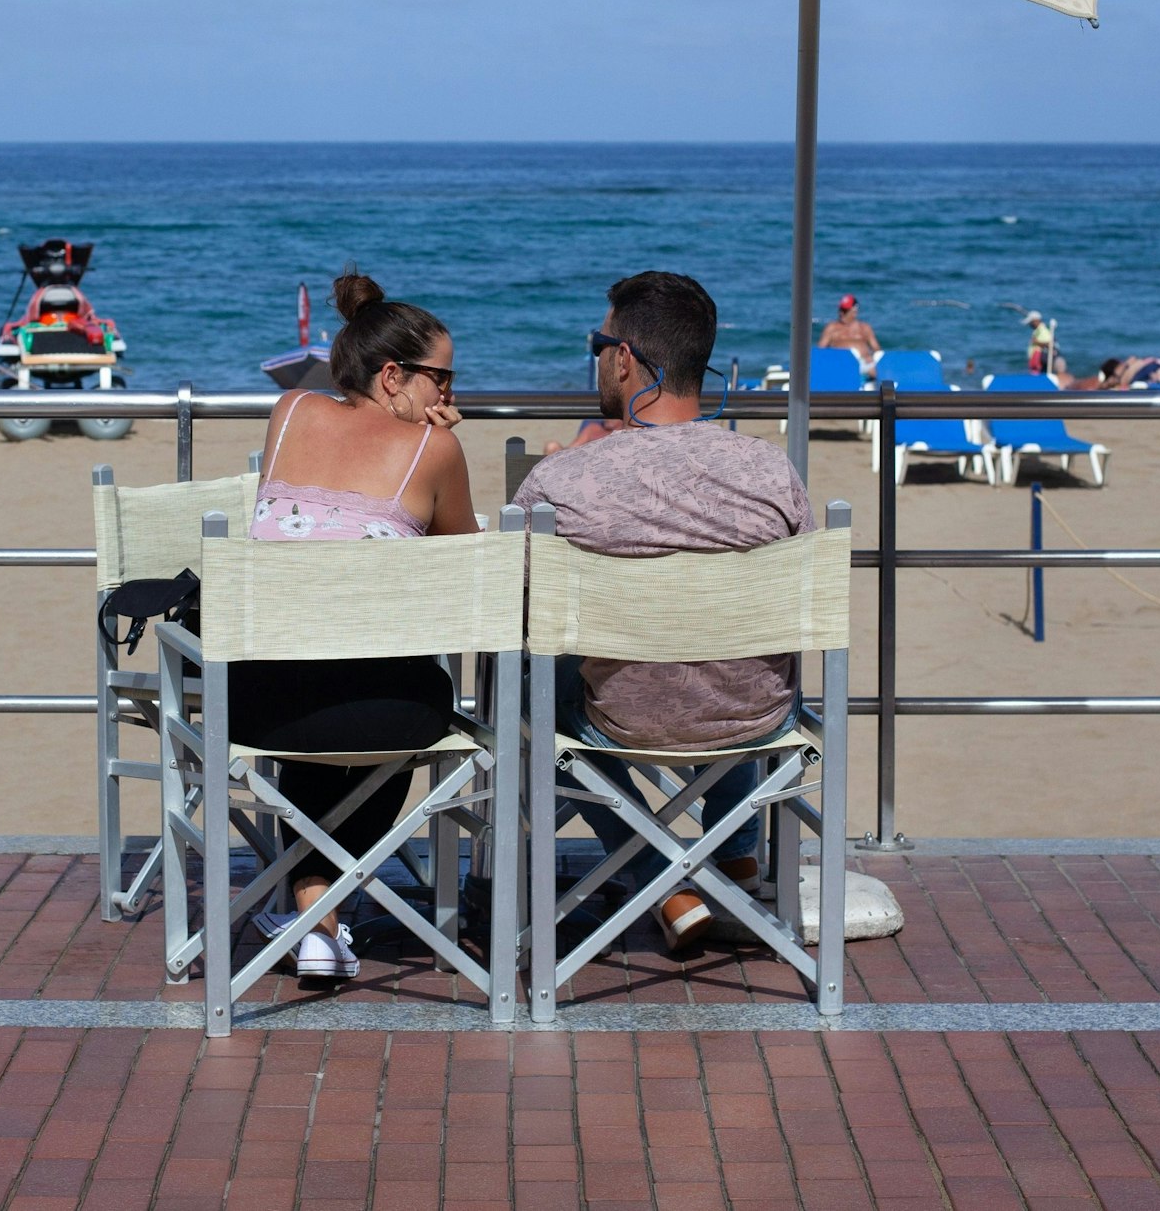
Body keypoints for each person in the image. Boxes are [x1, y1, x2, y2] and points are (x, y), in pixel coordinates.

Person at [513, 271, 813, 950]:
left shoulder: (563, 481)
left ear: (624, 358)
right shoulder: (772, 475)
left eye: (598, 342)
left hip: (624, 721)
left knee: (541, 690)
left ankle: (661, 880)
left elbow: (516, 600)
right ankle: (734, 854)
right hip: (756, 721)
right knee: (736, 644)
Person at [243, 269, 475, 981]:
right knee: (420, 705)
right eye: (443, 377)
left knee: (317, 690)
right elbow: (467, 567)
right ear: (395, 374)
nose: (451, 395)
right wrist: (442, 450)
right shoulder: (434, 449)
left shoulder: (288, 412)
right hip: (381, 716)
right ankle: (323, 912)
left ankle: (314, 911)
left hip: (256, 706)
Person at [817, 294, 878, 375]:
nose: (841, 313)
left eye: (845, 311)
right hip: (840, 365)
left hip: (863, 364)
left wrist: (871, 358)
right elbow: (820, 351)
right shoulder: (831, 328)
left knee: (874, 371)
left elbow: (877, 351)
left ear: (854, 311)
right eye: (841, 310)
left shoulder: (864, 328)